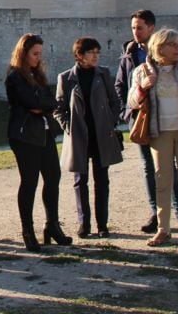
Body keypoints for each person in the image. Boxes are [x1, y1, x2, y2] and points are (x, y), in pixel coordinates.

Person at [127, 28, 178, 249]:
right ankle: (163, 229)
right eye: (173, 45)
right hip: (159, 132)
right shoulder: (142, 70)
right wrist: (143, 88)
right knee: (162, 182)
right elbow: (132, 102)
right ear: (159, 47)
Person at [114, 9, 178, 234]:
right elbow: (120, 85)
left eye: (140, 28)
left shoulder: (167, 49)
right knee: (148, 168)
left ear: (151, 28)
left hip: (166, 117)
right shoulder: (129, 54)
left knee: (169, 168)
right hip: (142, 118)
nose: (135, 32)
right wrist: (128, 110)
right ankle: (156, 214)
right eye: (133, 28)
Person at [4, 33, 72, 252]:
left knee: (53, 177)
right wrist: (40, 104)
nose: (38, 58)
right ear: (23, 54)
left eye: (40, 54)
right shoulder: (15, 76)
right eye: (34, 54)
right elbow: (31, 102)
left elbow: (51, 101)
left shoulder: (38, 75)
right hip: (24, 135)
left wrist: (41, 105)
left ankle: (52, 225)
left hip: (43, 133)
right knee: (30, 181)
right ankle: (28, 231)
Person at [56, 37, 123, 239]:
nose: (95, 56)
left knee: (102, 180)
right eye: (91, 52)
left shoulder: (103, 74)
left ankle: (102, 224)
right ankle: (84, 223)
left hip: (100, 134)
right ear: (79, 55)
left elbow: (115, 100)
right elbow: (59, 108)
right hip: (79, 136)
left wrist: (110, 121)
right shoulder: (66, 78)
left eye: (97, 52)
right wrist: (69, 127)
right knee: (80, 181)